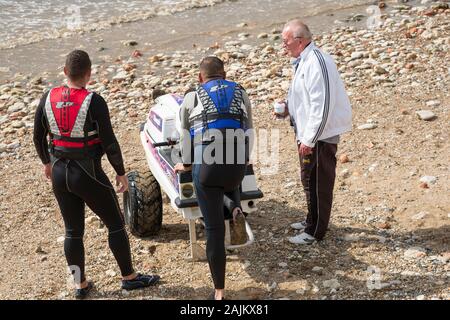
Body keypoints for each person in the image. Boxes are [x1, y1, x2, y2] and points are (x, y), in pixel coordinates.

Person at [33, 50, 160, 299]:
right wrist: (121, 173)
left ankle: (80, 285)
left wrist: (47, 163)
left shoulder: (47, 97)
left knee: (72, 231)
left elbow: (37, 136)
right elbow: (109, 142)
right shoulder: (94, 101)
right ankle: (129, 278)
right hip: (87, 174)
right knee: (115, 224)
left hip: (59, 172)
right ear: (89, 74)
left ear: (65, 72)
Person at [174, 56, 253, 300]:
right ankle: (235, 205)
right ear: (224, 75)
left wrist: (185, 164)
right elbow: (248, 128)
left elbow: (185, 135)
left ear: (200, 77)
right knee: (230, 176)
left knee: (214, 230)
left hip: (208, 168)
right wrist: (245, 158)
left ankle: (219, 291)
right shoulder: (240, 91)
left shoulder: (193, 95)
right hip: (237, 165)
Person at [276, 20, 352, 245]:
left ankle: (315, 231)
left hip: (320, 135)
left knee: (318, 181)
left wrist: (310, 138)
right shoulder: (302, 61)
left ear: (299, 41)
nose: (283, 45)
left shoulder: (318, 61)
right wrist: (287, 108)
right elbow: (305, 96)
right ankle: (312, 218)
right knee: (308, 178)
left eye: (285, 41)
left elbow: (323, 103)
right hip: (308, 132)